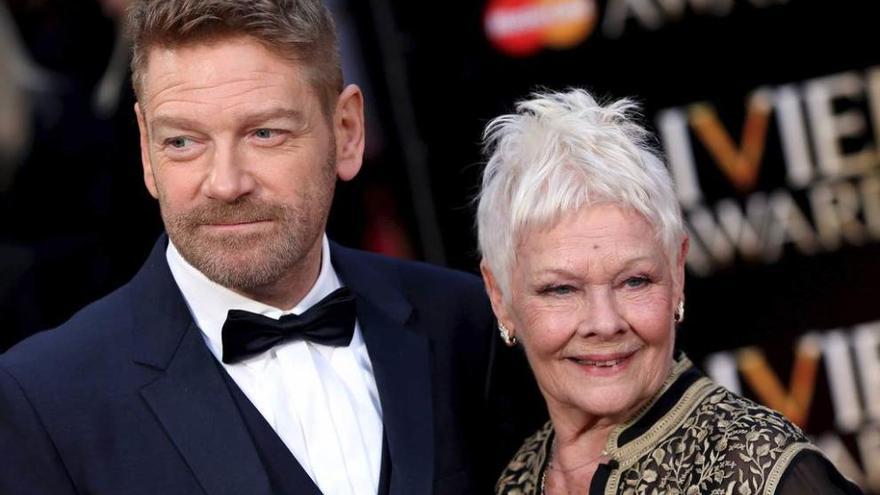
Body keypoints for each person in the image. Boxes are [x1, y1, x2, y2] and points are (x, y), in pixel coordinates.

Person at [0, 1, 521, 493]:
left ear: (347, 131)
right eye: (183, 142)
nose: (225, 184)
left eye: (264, 133)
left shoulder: (468, 325)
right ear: (145, 149)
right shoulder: (45, 401)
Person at [476, 89, 862, 495]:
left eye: (634, 281)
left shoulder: (758, 469)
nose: (604, 323)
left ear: (677, 273)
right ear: (499, 296)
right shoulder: (516, 478)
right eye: (561, 290)